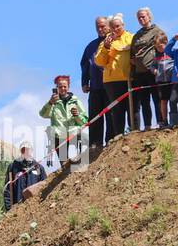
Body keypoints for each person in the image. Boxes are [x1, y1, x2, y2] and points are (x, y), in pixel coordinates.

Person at [94, 14, 133, 142]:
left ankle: (134, 131)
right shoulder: (106, 41)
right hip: (111, 81)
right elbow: (99, 61)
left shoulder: (131, 38)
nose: (115, 29)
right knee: (117, 109)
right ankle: (118, 135)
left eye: (118, 26)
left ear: (123, 26)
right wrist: (105, 47)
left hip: (128, 78)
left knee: (132, 106)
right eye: (113, 27)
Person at [38, 75, 87, 166]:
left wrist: (77, 116)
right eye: (60, 87)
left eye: (65, 86)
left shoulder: (76, 101)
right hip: (59, 138)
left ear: (68, 87)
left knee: (75, 162)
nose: (63, 89)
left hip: (74, 136)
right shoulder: (53, 103)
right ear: (56, 88)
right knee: (65, 165)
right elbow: (43, 114)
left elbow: (85, 122)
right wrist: (50, 103)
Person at [129, 8, 162, 131]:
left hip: (153, 71)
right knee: (144, 101)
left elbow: (164, 48)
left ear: (149, 16)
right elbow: (131, 54)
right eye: (139, 18)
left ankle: (161, 122)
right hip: (140, 73)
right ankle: (147, 125)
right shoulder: (136, 36)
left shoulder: (157, 31)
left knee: (157, 98)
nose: (141, 19)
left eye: (143, 16)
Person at [81, 15, 110, 151]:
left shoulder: (115, 41)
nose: (100, 29)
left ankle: (111, 139)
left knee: (111, 113)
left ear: (108, 26)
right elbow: (85, 64)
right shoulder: (91, 46)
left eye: (103, 26)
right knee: (94, 115)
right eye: (98, 26)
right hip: (95, 85)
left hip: (111, 84)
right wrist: (84, 82)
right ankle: (94, 143)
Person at [3, 145, 44, 211]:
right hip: (17, 209)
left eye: (28, 149)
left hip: (34, 208)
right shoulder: (13, 167)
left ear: (31, 151)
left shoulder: (38, 167)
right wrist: (9, 209)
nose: (26, 152)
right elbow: (7, 189)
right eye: (24, 150)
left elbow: (44, 186)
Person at [151, 32, 175, 130]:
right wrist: (154, 70)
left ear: (166, 43)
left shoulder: (172, 53)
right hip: (161, 82)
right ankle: (164, 120)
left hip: (171, 81)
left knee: (173, 100)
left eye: (160, 46)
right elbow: (152, 66)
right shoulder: (156, 57)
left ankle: (174, 120)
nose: (159, 48)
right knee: (163, 101)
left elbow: (177, 62)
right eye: (156, 47)